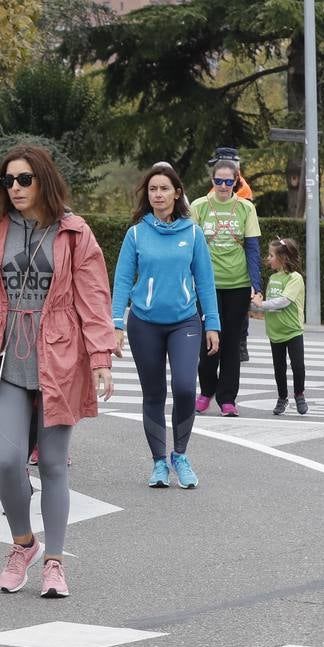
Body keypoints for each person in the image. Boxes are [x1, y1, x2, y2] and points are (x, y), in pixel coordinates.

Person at [0, 145, 115, 600]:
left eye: (24, 180)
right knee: (6, 462)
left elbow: (94, 298)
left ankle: (55, 562)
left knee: (55, 466)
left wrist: (101, 358)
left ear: (43, 180)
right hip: (7, 353)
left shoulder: (74, 232)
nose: (16, 189)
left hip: (60, 354)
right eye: (8, 181)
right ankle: (23, 544)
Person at [111, 163, 221, 489]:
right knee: (154, 393)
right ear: (148, 195)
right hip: (144, 323)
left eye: (164, 189)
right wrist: (116, 323)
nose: (158, 194)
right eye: (152, 190)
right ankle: (159, 462)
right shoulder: (135, 233)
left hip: (185, 321)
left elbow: (205, 282)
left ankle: (181, 455)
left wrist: (212, 323)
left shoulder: (193, 233)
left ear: (177, 193)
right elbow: (120, 282)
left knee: (186, 387)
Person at [191, 158, 261, 416]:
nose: (223, 185)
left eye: (228, 181)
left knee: (232, 343)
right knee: (208, 341)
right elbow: (190, 246)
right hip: (206, 285)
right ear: (212, 181)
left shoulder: (245, 208)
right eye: (218, 181)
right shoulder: (199, 206)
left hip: (237, 285)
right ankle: (207, 390)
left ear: (236, 182)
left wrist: (257, 284)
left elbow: (253, 248)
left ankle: (227, 398)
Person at [252, 237, 308, 415]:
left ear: (283, 258)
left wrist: (262, 305)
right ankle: (282, 397)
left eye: (271, 255)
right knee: (279, 367)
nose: (267, 258)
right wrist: (255, 303)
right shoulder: (273, 277)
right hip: (275, 332)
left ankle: (299, 394)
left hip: (292, 331)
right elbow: (267, 303)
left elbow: (284, 301)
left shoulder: (295, 278)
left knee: (298, 365)